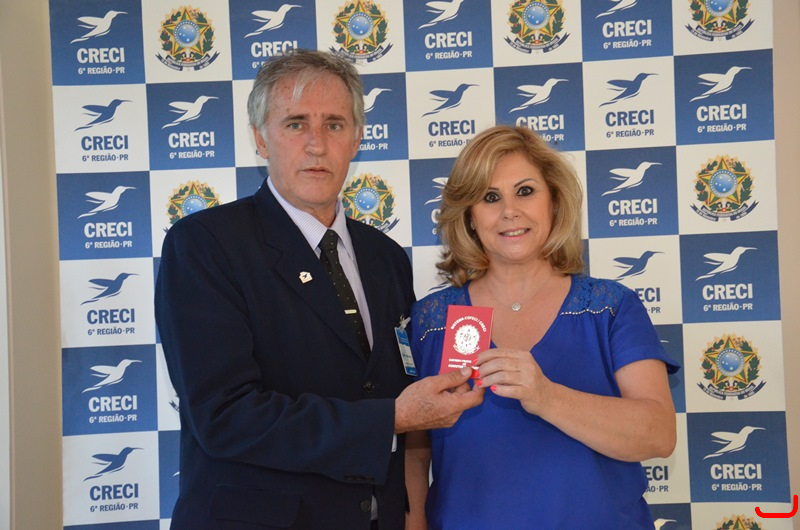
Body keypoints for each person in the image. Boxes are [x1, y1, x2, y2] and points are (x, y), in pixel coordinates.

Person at [155, 50, 483, 530]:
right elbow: (225, 416)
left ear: (357, 138)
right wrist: (390, 418)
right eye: (295, 124)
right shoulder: (205, 245)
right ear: (260, 138)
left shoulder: (385, 256)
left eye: (334, 124)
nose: (316, 144)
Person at [405, 125, 679, 529]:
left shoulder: (612, 307)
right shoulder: (430, 321)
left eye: (525, 191)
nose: (509, 211)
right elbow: (414, 453)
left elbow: (659, 435)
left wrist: (546, 397)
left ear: (554, 201)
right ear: (469, 217)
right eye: (490, 197)